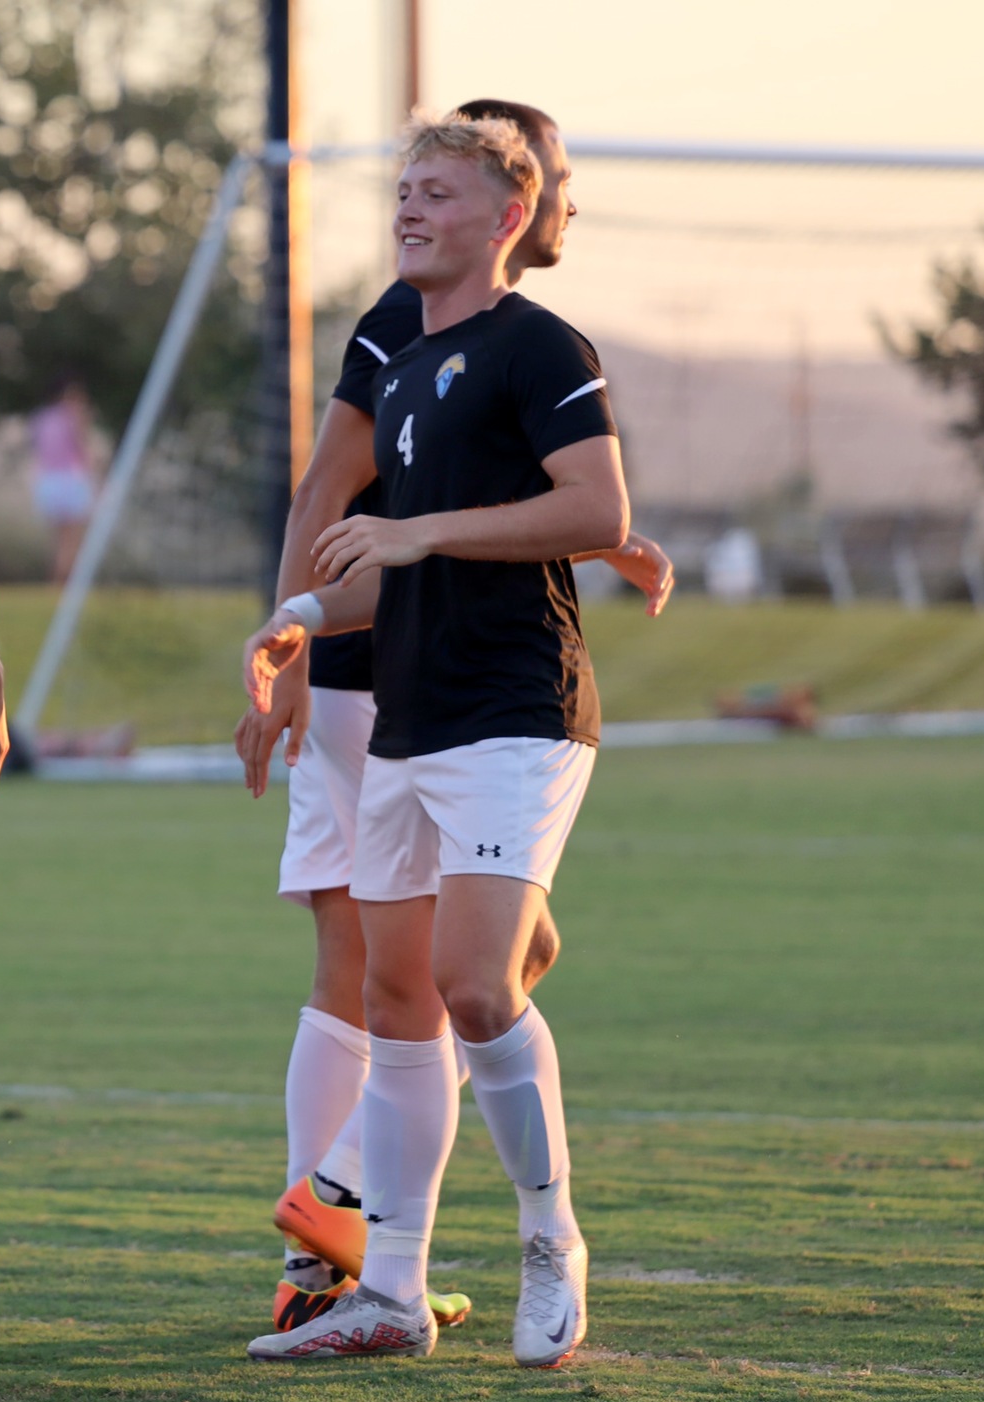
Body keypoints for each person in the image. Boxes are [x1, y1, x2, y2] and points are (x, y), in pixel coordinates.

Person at [236, 98, 675, 1336]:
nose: (410, 212)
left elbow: (593, 505)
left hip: (513, 705)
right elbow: (397, 554)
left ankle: (552, 1239)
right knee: (399, 1002)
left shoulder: (540, 346)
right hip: (407, 718)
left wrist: (417, 529)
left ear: (510, 214)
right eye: (404, 194)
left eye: (436, 194)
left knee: (480, 985)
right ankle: (389, 1289)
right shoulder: (412, 362)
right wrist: (307, 616)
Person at [27, 370, 98, 585]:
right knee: (72, 539)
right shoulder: (73, 416)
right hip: (71, 479)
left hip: (48, 481)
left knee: (58, 539)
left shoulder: (39, 418)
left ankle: (57, 581)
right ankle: (64, 582)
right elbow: (82, 448)